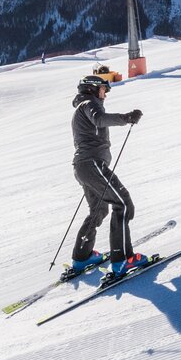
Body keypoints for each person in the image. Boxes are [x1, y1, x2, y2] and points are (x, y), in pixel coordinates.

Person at [70, 74, 147, 282]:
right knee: (122, 203)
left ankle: (82, 257)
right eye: (104, 89)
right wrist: (126, 118)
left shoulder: (82, 107)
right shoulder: (88, 104)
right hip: (92, 164)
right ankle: (123, 259)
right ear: (93, 89)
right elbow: (100, 119)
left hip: (83, 166)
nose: (105, 94)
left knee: (99, 209)